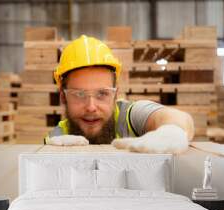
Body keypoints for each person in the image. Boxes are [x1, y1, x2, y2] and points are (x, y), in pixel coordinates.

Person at [44, 35, 194, 154]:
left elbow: (176, 118)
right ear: (63, 97)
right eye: (79, 94)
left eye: (102, 93)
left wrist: (173, 132)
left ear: (116, 95)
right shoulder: (57, 138)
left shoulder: (130, 117)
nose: (91, 107)